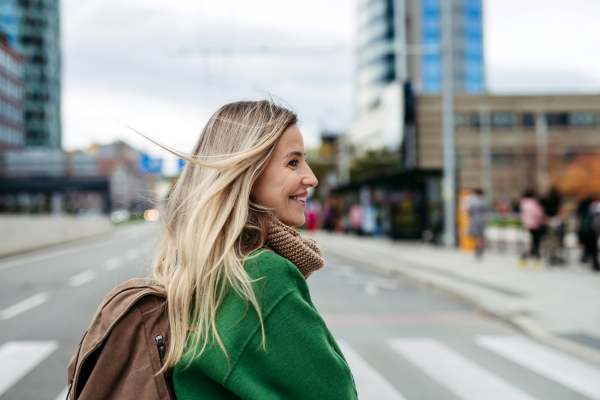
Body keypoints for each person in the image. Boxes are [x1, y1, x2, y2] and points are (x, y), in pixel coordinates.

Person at [148, 101, 358, 399]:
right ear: (248, 174)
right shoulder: (261, 276)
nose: (312, 178)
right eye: (293, 163)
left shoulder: (201, 269)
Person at [519, 189, 546, 268]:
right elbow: (539, 213)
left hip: (528, 224)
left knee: (534, 243)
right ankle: (535, 259)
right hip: (535, 224)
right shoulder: (533, 203)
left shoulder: (524, 202)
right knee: (536, 243)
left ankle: (530, 257)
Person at [541, 188, 564, 266]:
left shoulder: (545, 200)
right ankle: (551, 256)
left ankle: (551, 256)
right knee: (553, 240)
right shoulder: (550, 201)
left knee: (551, 240)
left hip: (551, 221)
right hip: (553, 222)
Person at [578, 196, 600, 271]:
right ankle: (594, 263)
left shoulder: (589, 207)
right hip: (592, 230)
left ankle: (585, 259)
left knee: (590, 247)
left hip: (590, 230)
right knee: (593, 247)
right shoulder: (595, 207)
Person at [467, 188, 487, 259]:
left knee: (475, 236)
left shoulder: (473, 200)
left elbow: (469, 210)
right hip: (482, 220)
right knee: (481, 236)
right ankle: (481, 248)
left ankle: (477, 249)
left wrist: (470, 216)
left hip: (475, 219)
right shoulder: (484, 200)